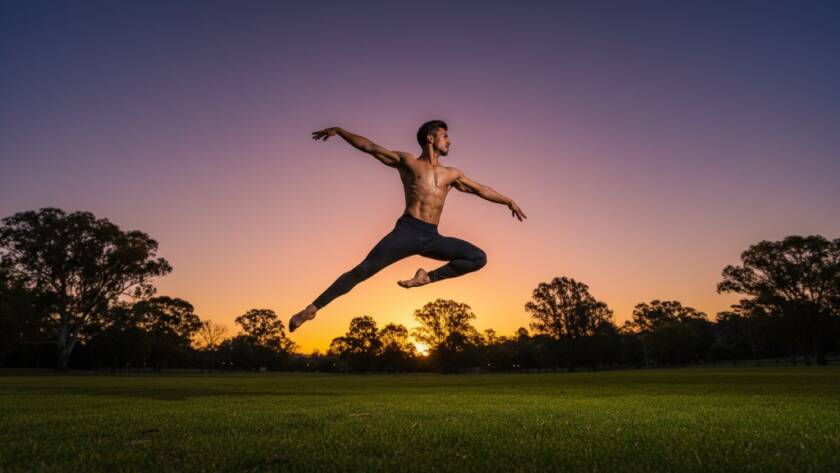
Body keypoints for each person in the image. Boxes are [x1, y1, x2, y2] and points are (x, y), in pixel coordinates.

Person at [288, 120, 527, 332]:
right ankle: (311, 309)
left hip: (431, 236)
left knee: (478, 257)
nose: (449, 141)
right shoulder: (409, 163)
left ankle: (426, 278)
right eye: (445, 136)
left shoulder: (451, 174)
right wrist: (340, 131)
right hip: (407, 232)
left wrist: (508, 201)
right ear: (430, 138)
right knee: (363, 270)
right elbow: (371, 148)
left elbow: (479, 188)